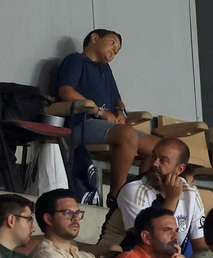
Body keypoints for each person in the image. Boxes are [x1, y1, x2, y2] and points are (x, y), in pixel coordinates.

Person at [54, 30, 155, 203]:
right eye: (112, 43)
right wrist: (99, 111)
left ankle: (140, 195)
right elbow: (66, 91)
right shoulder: (76, 60)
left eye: (117, 51)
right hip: (81, 124)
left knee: (158, 147)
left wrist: (121, 113)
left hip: (108, 127)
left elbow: (118, 101)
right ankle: (117, 197)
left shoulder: (105, 69)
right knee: (127, 135)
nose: (114, 51)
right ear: (95, 38)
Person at [104, 137, 205, 257]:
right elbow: (150, 241)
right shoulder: (134, 190)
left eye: (163, 160)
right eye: (153, 157)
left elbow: (200, 246)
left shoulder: (191, 193)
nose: (154, 163)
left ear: (179, 169)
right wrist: (172, 198)